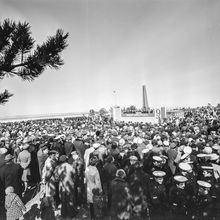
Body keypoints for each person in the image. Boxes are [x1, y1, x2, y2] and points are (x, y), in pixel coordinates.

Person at [85, 155, 102, 220]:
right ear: (96, 163)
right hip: (95, 187)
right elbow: (98, 181)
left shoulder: (87, 168)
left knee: (91, 203)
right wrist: (100, 190)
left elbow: (86, 178)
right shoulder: (95, 170)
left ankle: (92, 216)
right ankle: (96, 216)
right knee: (96, 202)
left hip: (89, 186)